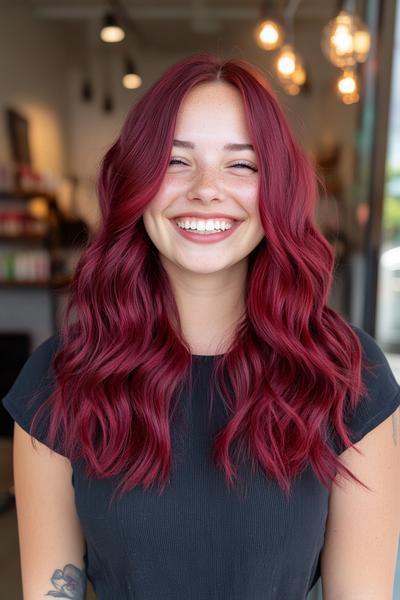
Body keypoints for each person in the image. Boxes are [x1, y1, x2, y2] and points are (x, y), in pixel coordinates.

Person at [2, 52, 400, 600]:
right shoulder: (59, 378)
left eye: (242, 164)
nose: (206, 189)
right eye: (174, 161)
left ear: (276, 190)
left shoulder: (349, 374)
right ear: (136, 184)